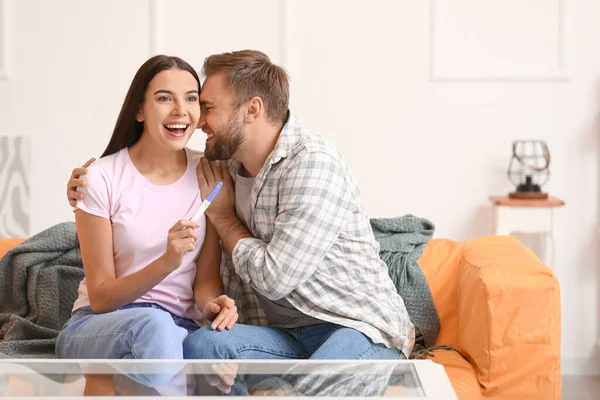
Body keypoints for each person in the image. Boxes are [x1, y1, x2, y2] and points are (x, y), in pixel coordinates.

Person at [67, 50, 414, 365]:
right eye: (171, 100)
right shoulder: (220, 168)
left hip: (351, 324)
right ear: (139, 109)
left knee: (315, 384)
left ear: (252, 110)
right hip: (283, 333)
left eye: (205, 105)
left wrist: (221, 218)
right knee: (203, 347)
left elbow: (270, 278)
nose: (197, 119)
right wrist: (85, 188)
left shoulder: (310, 165)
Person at [56, 55, 238, 371]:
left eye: (191, 98)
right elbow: (100, 298)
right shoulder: (101, 178)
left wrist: (212, 305)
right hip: (101, 324)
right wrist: (167, 261)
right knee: (155, 326)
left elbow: (204, 278)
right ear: (139, 109)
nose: (181, 110)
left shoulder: (208, 173)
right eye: (164, 98)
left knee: (211, 347)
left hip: (180, 325)